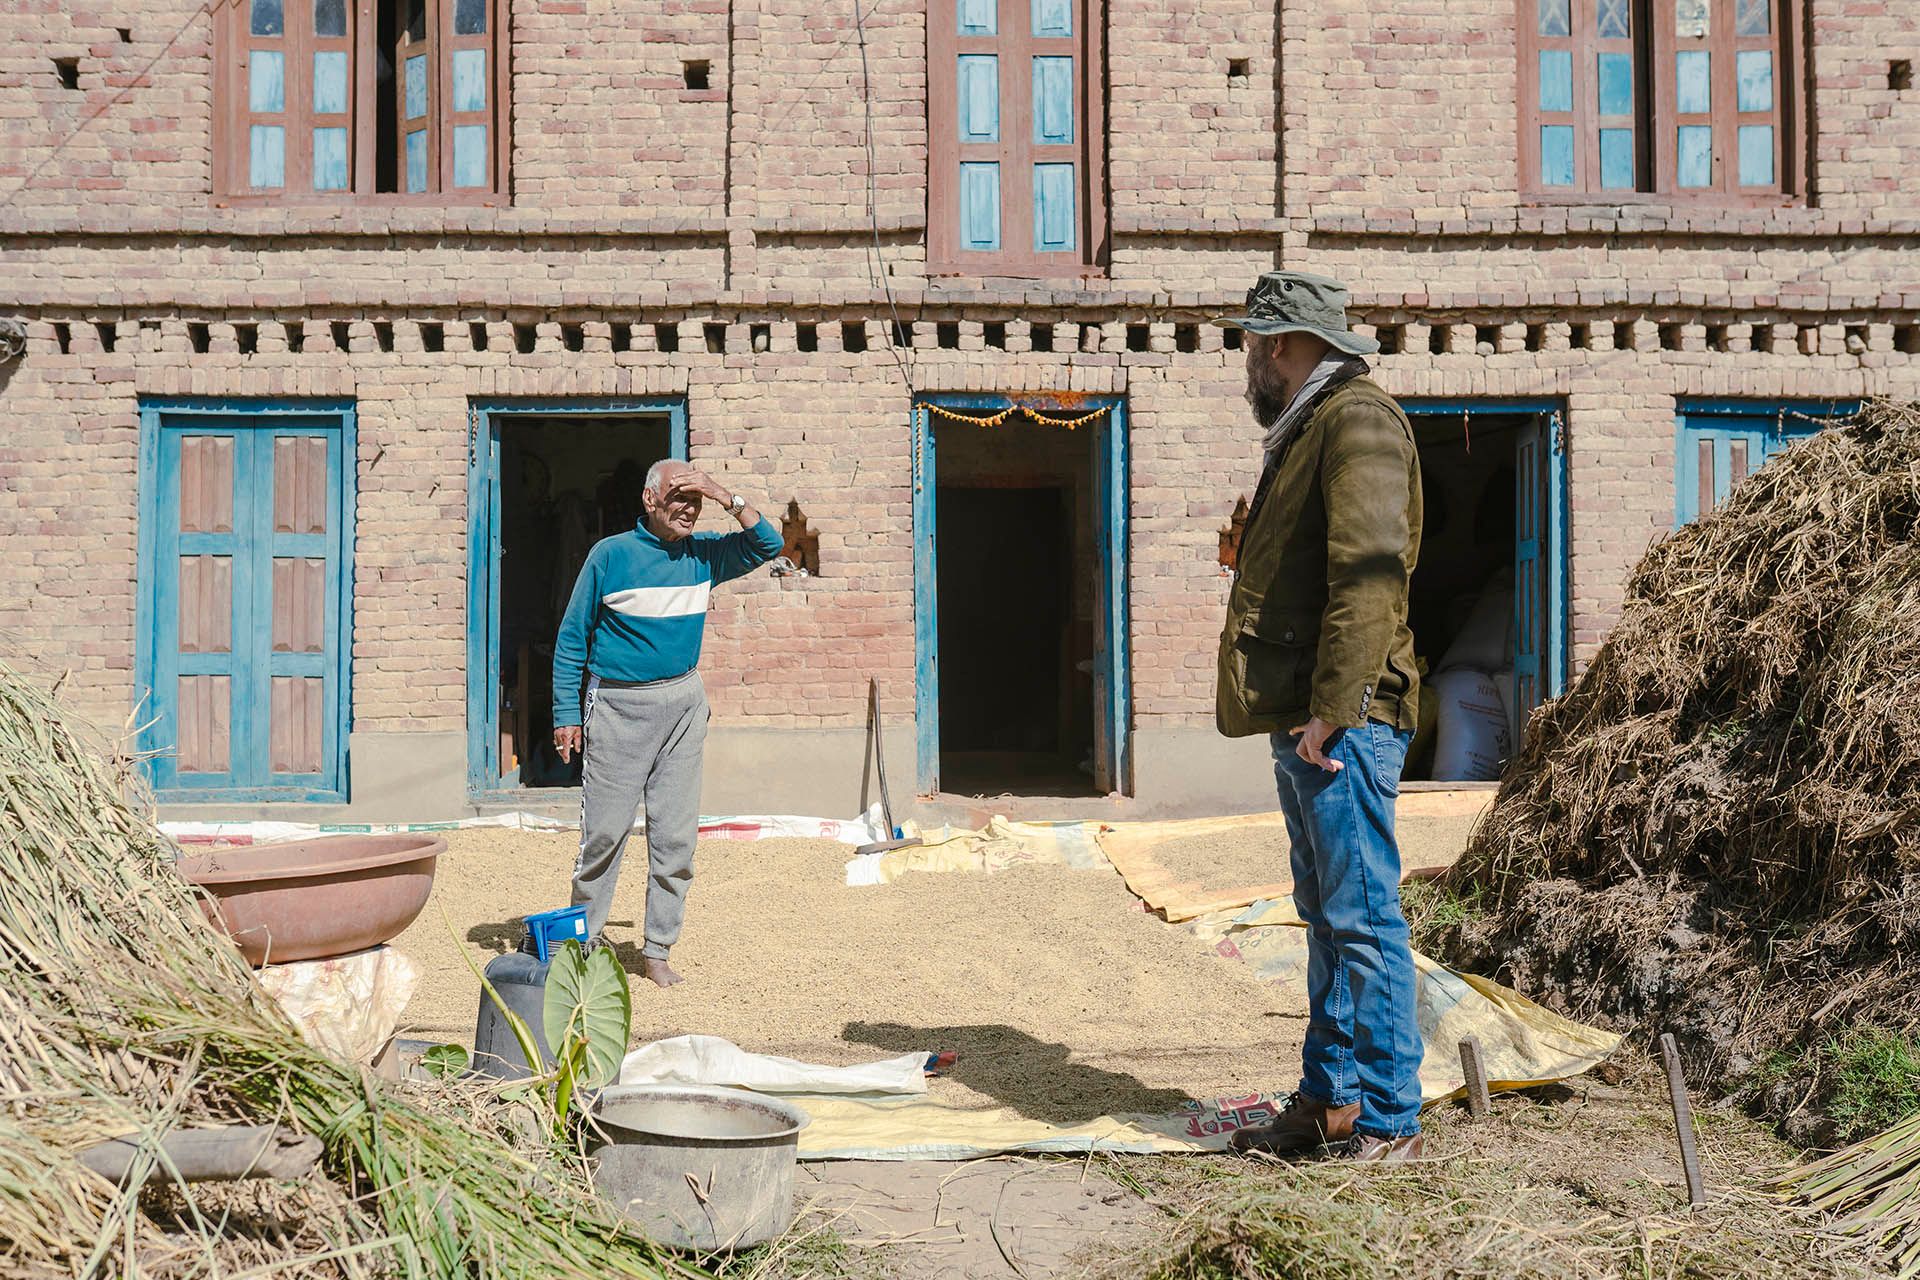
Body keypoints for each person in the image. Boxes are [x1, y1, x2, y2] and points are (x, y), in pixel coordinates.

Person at [1211, 271, 1427, 1162]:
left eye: (1258, 345)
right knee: (1328, 913)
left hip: (1346, 722)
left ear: (1293, 345)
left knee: (1365, 918)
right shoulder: (1312, 427)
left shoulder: (1358, 422)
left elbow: (1369, 578)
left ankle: (1386, 1120)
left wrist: (1335, 712)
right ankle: (1330, 1103)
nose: (1250, 363)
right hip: (1313, 716)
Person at [551, 460, 782, 988]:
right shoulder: (609, 556)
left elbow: (768, 544)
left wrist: (725, 494)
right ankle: (581, 945)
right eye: (678, 497)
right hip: (616, 707)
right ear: (649, 499)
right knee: (604, 836)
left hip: (682, 705)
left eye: (695, 500)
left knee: (675, 836)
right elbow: (571, 639)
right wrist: (567, 713)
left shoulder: (704, 556)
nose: (688, 508)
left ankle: (657, 949)